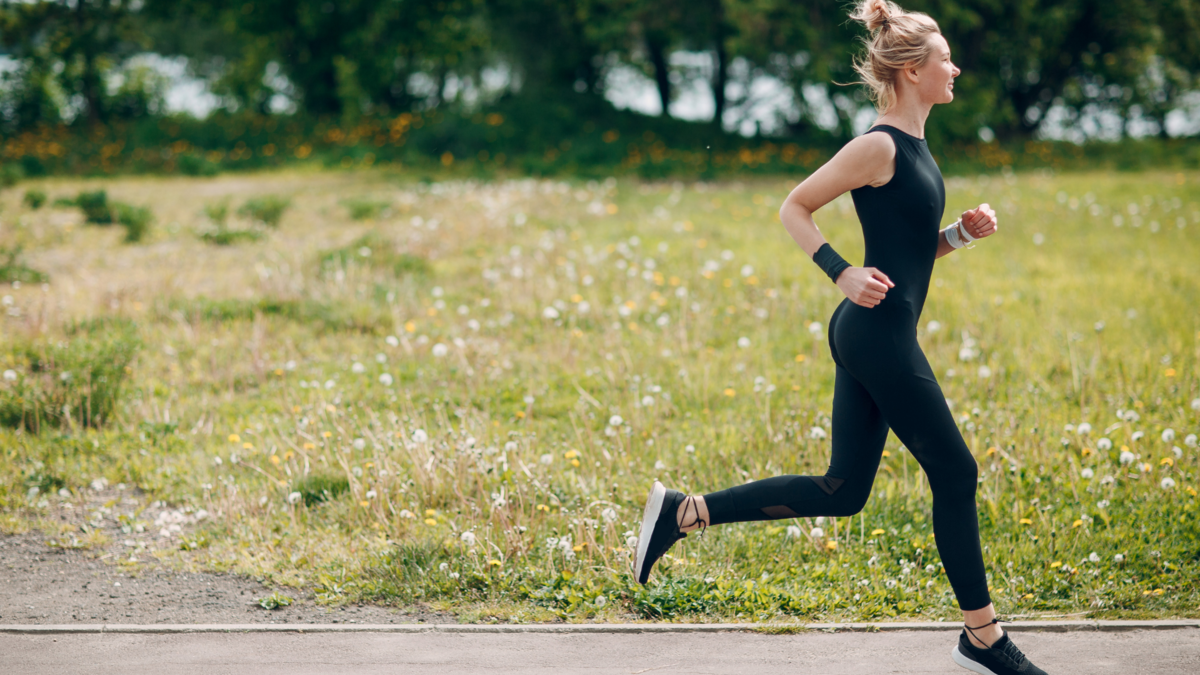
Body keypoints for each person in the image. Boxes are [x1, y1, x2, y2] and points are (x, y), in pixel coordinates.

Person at [633, 1, 1048, 674]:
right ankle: (983, 637)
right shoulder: (878, 145)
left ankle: (685, 512)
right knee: (956, 470)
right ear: (913, 71)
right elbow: (794, 205)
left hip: (876, 329)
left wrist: (960, 235)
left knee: (843, 490)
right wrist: (841, 271)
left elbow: (908, 253)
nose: (956, 68)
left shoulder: (916, 148)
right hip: (875, 334)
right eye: (945, 58)